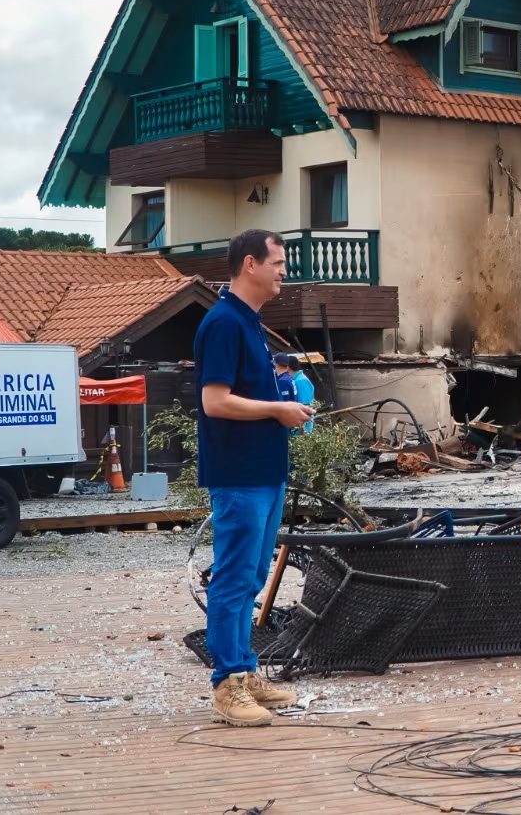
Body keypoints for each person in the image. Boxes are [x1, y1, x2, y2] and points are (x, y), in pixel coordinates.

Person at [195, 230, 314, 727]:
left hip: (265, 472)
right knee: (233, 578)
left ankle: (245, 671)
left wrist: (284, 410)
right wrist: (279, 408)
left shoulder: (250, 323)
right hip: (239, 475)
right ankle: (227, 686)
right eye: (278, 261)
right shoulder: (222, 323)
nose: (284, 270)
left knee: (252, 580)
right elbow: (214, 401)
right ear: (250, 264)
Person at [288, 356, 315, 433]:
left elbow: (305, 407)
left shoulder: (300, 381)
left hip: (301, 430)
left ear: (287, 367)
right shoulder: (296, 379)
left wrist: (300, 431)